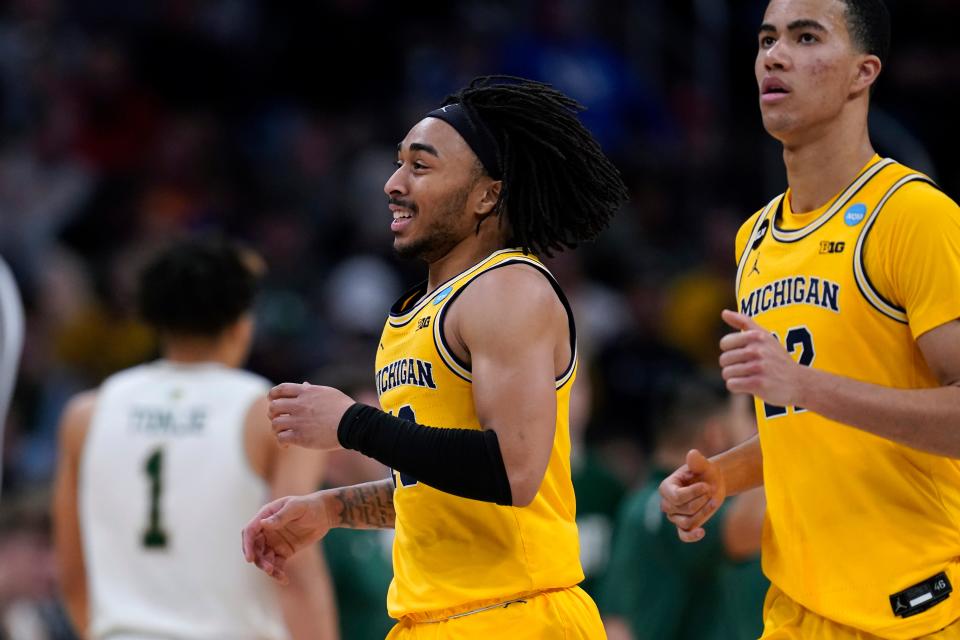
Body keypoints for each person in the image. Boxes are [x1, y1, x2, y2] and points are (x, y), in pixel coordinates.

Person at [242, 76, 629, 639]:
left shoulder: (509, 288)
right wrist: (332, 509)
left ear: (486, 195)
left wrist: (351, 423)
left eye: (419, 167)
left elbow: (513, 472)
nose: (393, 183)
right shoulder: (421, 313)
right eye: (398, 164)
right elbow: (441, 487)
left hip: (513, 614)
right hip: (436, 618)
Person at [659, 1, 960, 638]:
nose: (774, 54)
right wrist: (723, 476)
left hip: (914, 608)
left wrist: (804, 384)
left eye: (805, 36)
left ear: (863, 72)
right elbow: (804, 431)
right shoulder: (755, 239)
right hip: (796, 608)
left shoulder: (914, 217)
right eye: (767, 38)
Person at [52, 237, 339, 640]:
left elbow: (72, 574)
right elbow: (295, 563)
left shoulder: (86, 414)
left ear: (153, 320)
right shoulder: (273, 413)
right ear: (242, 324)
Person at [599, 386, 767, 640]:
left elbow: (615, 622)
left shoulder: (637, 504)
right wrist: (774, 429)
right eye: (742, 423)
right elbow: (748, 528)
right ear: (715, 434)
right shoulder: (679, 504)